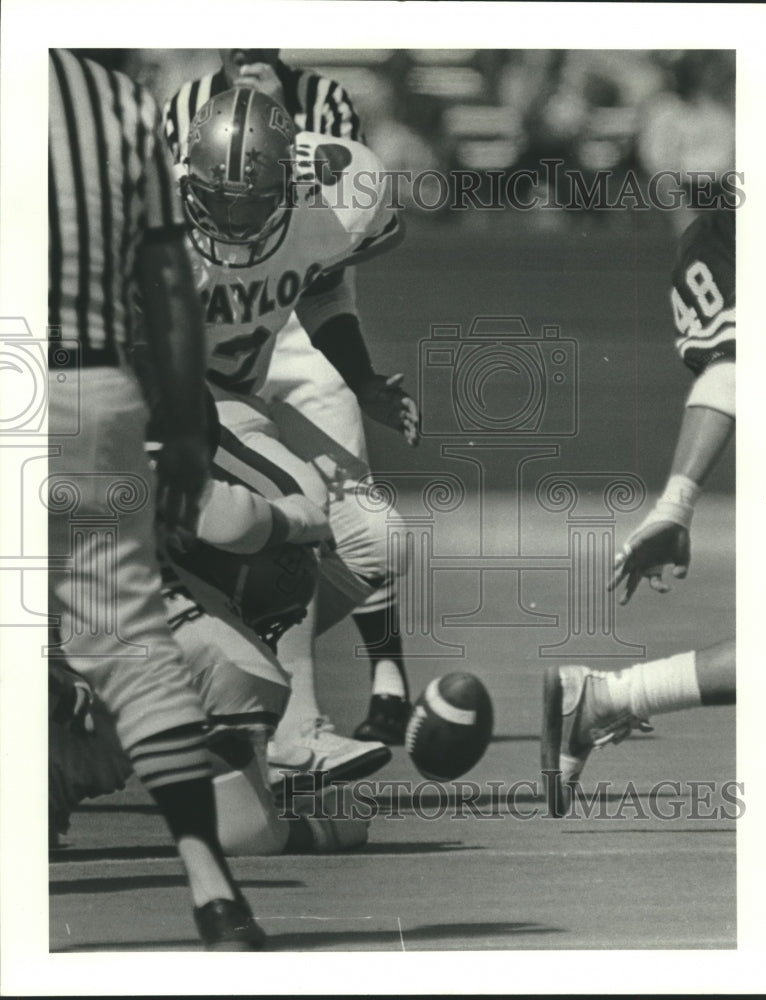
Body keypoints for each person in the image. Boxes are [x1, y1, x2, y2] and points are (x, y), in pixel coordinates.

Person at [48, 48, 263, 949]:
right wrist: (182, 429)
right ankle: (212, 887)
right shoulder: (116, 106)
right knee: (134, 645)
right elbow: (167, 279)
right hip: (90, 388)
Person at [165, 80, 419, 790]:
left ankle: (234, 675)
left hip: (235, 402)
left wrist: (362, 378)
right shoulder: (152, 229)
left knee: (376, 541)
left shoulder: (328, 200)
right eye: (220, 199)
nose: (236, 217)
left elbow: (318, 282)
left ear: (290, 185)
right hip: (168, 403)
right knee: (296, 502)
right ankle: (295, 732)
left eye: (253, 200)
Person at [541, 208, 736, 816]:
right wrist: (676, 503)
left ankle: (605, 699)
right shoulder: (737, 230)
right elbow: (736, 365)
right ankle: (606, 699)